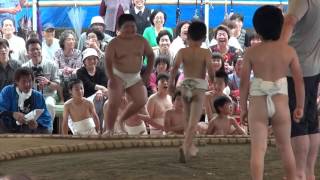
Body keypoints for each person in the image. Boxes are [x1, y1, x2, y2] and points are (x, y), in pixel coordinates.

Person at [240, 5, 305, 180]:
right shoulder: (289, 51)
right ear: (281, 26)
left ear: (257, 29)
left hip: (258, 104)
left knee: (258, 150)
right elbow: (299, 80)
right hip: (281, 104)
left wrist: (242, 108)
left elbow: (244, 82)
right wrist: (300, 106)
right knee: (285, 148)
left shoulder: (251, 52)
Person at [281, 1, 320, 179]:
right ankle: (309, 172)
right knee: (311, 122)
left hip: (297, 68)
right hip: (314, 66)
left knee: (298, 121)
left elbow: (289, 21)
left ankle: (299, 172)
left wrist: (279, 49)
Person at [169, 21, 215, 163]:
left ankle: (190, 146)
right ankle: (185, 147)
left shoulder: (182, 52)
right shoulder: (205, 52)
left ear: (187, 36)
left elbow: (174, 68)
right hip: (199, 86)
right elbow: (210, 70)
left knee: (188, 119)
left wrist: (171, 84)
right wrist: (212, 80)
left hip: (186, 85)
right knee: (194, 121)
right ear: (203, 38)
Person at [103, 14, 154, 135]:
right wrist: (111, 78)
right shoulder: (113, 43)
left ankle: (121, 120)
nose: (130, 29)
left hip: (135, 76)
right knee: (114, 103)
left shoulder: (141, 40)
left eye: (133, 26)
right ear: (119, 28)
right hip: (117, 75)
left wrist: (147, 74)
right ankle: (109, 129)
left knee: (141, 100)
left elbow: (151, 55)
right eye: (127, 27)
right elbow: (107, 62)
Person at [22, 38, 60, 132]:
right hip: (30, 95)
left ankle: (48, 130)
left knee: (49, 104)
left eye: (38, 49)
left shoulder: (52, 64)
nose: (35, 52)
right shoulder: (24, 67)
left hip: (48, 95)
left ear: (41, 50)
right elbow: (21, 87)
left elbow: (58, 86)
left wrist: (48, 83)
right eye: (32, 49)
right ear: (28, 52)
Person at [0, 67, 52, 133]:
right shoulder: (7, 91)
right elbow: (1, 109)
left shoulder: (37, 96)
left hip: (29, 129)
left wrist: (37, 123)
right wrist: (12, 114)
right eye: (24, 81)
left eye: (30, 81)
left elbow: (46, 117)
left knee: (45, 130)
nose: (27, 84)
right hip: (8, 127)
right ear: (17, 82)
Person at [76, 48, 108, 130]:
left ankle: (106, 128)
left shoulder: (101, 70)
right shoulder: (80, 72)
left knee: (106, 99)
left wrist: (100, 90)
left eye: (94, 59)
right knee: (99, 99)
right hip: (86, 98)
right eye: (89, 59)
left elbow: (105, 83)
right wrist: (100, 88)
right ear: (84, 61)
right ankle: (96, 128)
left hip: (101, 95)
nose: (92, 61)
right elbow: (87, 84)